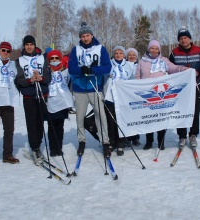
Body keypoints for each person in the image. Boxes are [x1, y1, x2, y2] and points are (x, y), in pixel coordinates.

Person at [68, 22, 112, 157]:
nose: (85, 38)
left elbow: (107, 67)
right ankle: (81, 141)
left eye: (87, 35)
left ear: (92, 35)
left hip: (95, 87)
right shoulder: (76, 50)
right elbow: (71, 68)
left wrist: (93, 69)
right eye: (83, 36)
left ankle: (105, 141)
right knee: (80, 117)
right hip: (80, 89)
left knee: (101, 116)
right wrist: (82, 70)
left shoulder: (100, 49)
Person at [135, 40, 188, 150]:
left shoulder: (163, 61)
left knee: (161, 119)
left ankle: (161, 141)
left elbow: (173, 68)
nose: (154, 50)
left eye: (156, 48)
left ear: (159, 50)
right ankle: (149, 141)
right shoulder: (142, 61)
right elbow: (137, 77)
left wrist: (184, 69)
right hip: (148, 95)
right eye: (152, 48)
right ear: (148, 49)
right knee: (148, 119)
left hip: (161, 95)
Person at [169, 27, 200, 149]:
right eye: (181, 38)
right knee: (180, 110)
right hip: (180, 88)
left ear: (189, 38)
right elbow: (170, 68)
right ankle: (182, 135)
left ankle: (193, 134)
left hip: (195, 85)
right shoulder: (174, 52)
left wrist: (198, 72)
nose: (183, 40)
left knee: (194, 110)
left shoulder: (199, 50)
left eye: (185, 38)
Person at [15, 35, 51, 164]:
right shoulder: (19, 61)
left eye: (31, 44)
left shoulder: (42, 58)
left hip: (42, 94)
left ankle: (38, 145)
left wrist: (41, 78)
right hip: (29, 96)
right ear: (24, 46)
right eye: (27, 45)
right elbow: (18, 79)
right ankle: (34, 148)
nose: (29, 47)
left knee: (40, 122)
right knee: (31, 123)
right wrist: (30, 80)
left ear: (35, 45)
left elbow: (48, 77)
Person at [0, 42, 20, 168]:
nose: (5, 53)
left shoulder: (13, 65)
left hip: (9, 101)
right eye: (3, 50)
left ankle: (7, 155)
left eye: (8, 51)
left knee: (9, 130)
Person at [104, 46, 134, 156]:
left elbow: (132, 80)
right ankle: (112, 142)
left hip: (123, 97)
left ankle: (121, 143)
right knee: (111, 121)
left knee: (121, 120)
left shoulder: (129, 65)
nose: (118, 55)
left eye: (120, 53)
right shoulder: (108, 64)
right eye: (116, 53)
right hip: (110, 96)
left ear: (124, 55)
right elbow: (103, 78)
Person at [46, 49, 73, 157]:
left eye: (56, 58)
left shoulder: (65, 71)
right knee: (51, 126)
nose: (54, 60)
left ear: (60, 59)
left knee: (60, 126)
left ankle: (59, 147)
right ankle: (53, 148)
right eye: (52, 58)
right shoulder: (47, 72)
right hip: (51, 102)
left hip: (62, 102)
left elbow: (70, 84)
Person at [125, 47, 141, 146]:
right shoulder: (124, 64)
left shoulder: (139, 65)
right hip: (125, 93)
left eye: (133, 55)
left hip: (136, 93)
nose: (131, 56)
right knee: (127, 116)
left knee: (136, 116)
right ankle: (127, 137)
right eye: (130, 55)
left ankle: (135, 137)